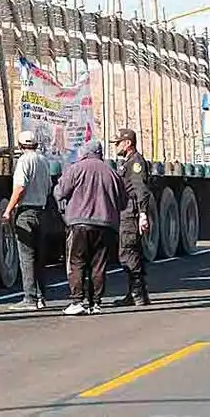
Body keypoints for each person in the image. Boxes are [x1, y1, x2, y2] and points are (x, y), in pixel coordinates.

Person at [53, 140, 123, 316]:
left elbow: (60, 191)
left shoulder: (76, 168)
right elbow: (123, 201)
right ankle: (96, 303)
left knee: (77, 262)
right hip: (106, 225)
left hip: (80, 223)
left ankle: (78, 301)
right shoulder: (112, 173)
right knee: (98, 265)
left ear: (84, 152)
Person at [2, 130, 53, 311]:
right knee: (39, 257)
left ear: (20, 145)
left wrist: (8, 210)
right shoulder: (43, 161)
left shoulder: (24, 161)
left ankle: (29, 298)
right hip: (41, 211)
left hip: (26, 213)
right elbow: (49, 188)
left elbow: (20, 187)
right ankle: (41, 297)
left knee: (26, 257)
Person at [110, 128, 152, 307]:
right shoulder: (127, 162)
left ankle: (137, 295)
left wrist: (143, 214)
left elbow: (141, 189)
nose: (116, 146)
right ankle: (137, 293)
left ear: (128, 143)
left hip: (130, 212)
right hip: (127, 210)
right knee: (131, 252)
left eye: (118, 142)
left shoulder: (136, 163)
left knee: (128, 252)